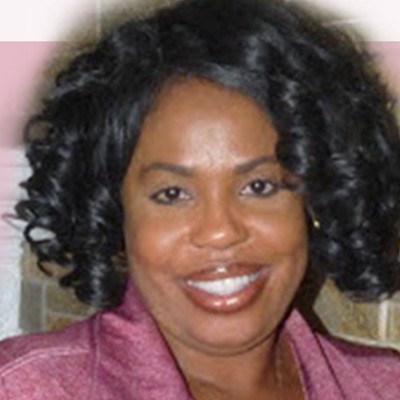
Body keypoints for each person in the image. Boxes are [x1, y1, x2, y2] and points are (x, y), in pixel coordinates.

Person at [1, 0, 400, 398]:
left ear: (314, 201)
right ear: (115, 216)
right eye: (172, 194)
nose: (220, 232)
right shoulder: (28, 387)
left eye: (259, 186)